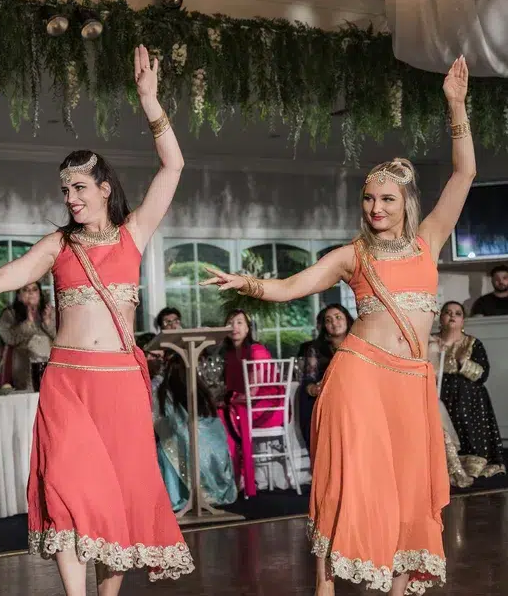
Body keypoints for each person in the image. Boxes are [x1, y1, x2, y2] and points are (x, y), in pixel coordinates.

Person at [0, 45, 193, 595]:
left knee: (115, 498)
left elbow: (173, 166)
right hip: (68, 382)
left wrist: (151, 102)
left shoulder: (134, 235)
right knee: (69, 489)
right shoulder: (58, 245)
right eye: (64, 190)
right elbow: (3, 277)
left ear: (104, 188)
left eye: (79, 187)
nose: (70, 197)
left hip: (121, 382)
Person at [201, 56, 474, 596]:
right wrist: (247, 283)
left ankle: (397, 587)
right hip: (361, 375)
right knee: (351, 482)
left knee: (408, 488)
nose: (375, 206)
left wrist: (456, 106)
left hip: (412, 381)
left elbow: (464, 173)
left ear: (405, 203)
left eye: (386, 199)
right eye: (368, 198)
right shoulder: (353, 254)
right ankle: (326, 587)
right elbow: (293, 286)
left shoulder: (430, 241)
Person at [429, 301, 504, 479]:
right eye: (447, 312)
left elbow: (482, 374)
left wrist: (464, 362)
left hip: (468, 399)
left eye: (457, 313)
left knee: (465, 423)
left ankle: (468, 464)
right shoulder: (431, 341)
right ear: (441, 318)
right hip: (438, 394)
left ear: (463, 320)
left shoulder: (472, 343)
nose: (452, 316)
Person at [152, 353, 236, 511]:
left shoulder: (162, 391)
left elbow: (159, 424)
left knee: (165, 448)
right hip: (212, 454)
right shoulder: (201, 390)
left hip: (182, 452)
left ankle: (177, 495)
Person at [217, 309, 284, 497]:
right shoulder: (229, 354)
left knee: (224, 415)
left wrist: (229, 399)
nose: (234, 327)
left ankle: (240, 475)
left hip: (267, 407)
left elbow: (253, 390)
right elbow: (230, 389)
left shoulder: (256, 350)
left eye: (239, 323)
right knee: (219, 413)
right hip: (245, 406)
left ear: (248, 328)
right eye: (230, 323)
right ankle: (231, 475)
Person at [298, 304, 353, 450]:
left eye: (338, 317)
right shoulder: (315, 349)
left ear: (347, 320)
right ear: (324, 327)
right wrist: (315, 389)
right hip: (327, 401)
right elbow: (308, 381)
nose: (334, 323)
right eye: (328, 320)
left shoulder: (358, 345)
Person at [0, 282, 56, 390]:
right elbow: (9, 339)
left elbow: (62, 338)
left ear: (40, 293)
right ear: (19, 296)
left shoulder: (51, 312)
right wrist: (28, 323)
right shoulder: (9, 314)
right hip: (23, 367)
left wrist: (47, 322)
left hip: (50, 366)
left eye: (34, 289)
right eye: (25, 290)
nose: (31, 293)